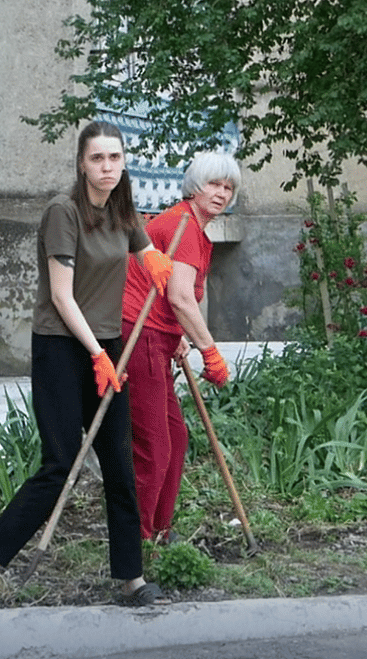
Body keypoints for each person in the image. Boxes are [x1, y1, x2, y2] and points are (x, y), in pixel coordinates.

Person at [0, 121, 176, 608]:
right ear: (81, 162)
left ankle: (130, 579)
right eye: (97, 159)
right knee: (60, 465)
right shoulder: (63, 211)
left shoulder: (121, 206)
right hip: (62, 346)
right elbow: (61, 295)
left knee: (118, 462)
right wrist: (96, 354)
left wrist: (156, 260)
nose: (107, 167)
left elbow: (145, 248)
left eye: (115, 158)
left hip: (108, 346)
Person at [122, 151, 241, 542]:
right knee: (154, 446)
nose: (221, 193)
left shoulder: (190, 226)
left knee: (176, 436)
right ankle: (137, 541)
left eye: (228, 187)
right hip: (140, 338)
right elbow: (181, 298)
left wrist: (179, 337)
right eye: (213, 184)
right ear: (195, 186)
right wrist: (209, 350)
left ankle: (160, 528)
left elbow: (172, 296)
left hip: (157, 337)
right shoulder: (183, 226)